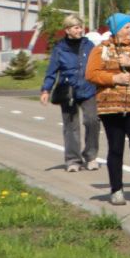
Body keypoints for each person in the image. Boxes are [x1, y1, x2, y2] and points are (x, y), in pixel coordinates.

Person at [85, 13, 130, 205]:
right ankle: (116, 189)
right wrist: (113, 79)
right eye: (126, 27)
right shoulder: (101, 50)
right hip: (111, 106)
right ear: (117, 29)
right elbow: (91, 73)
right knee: (116, 148)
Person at [40, 13, 100, 171]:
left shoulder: (89, 45)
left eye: (81, 27)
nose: (80, 30)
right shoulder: (60, 49)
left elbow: (97, 66)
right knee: (71, 126)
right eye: (76, 27)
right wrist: (46, 89)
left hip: (88, 88)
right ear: (67, 30)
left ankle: (91, 155)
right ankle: (73, 160)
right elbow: (52, 71)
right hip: (68, 91)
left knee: (92, 121)